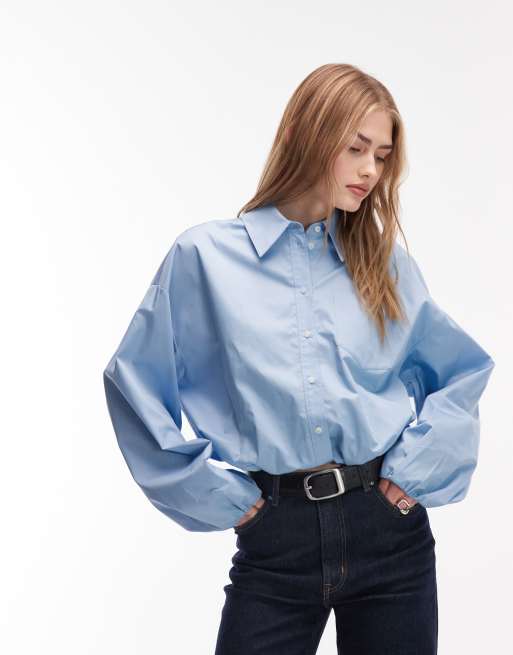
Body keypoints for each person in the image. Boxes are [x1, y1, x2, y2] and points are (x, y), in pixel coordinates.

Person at [102, 63, 495, 654]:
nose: (370, 170)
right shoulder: (204, 259)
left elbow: (461, 373)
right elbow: (133, 384)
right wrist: (226, 501)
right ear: (304, 135)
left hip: (391, 538)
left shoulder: (383, 263)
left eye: (382, 156)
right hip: (275, 540)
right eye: (356, 148)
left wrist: (408, 480)